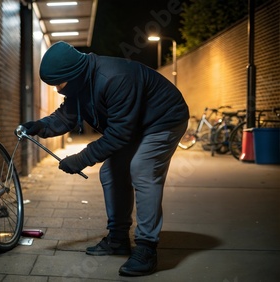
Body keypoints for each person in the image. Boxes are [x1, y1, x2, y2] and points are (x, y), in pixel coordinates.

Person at [20, 41, 189, 276]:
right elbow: (66, 117)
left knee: (141, 168)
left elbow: (119, 135)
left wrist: (80, 159)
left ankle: (147, 248)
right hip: (136, 124)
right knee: (110, 172)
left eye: (59, 83)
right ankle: (118, 238)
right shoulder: (80, 82)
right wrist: (38, 126)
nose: (57, 89)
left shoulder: (114, 79)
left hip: (164, 119)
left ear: (73, 74)